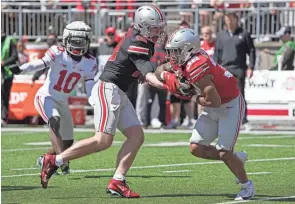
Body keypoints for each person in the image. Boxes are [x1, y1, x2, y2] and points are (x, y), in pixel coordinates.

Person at [38, 5, 179, 198]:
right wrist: (171, 86)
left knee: (136, 136)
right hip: (108, 89)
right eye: (155, 28)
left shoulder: (141, 38)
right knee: (103, 140)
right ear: (143, 26)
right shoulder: (138, 41)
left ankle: (117, 181)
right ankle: (55, 161)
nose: (159, 31)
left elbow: (141, 69)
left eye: (159, 27)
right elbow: (148, 75)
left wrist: (166, 66)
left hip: (118, 91)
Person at [156, 28, 255, 201]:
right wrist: (167, 76)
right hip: (214, 106)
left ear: (188, 49)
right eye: (171, 51)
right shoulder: (185, 58)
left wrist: (189, 94)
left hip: (229, 105)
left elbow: (214, 101)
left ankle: (247, 185)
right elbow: (160, 69)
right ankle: (236, 159)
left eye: (175, 51)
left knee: (224, 152)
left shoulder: (197, 66)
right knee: (196, 147)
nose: (172, 56)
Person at [9, 21, 98, 175]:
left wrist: (95, 100)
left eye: (81, 42)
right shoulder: (57, 52)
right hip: (46, 97)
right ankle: (62, 162)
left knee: (68, 142)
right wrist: (22, 68)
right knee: (54, 121)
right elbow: (41, 63)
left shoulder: (90, 62)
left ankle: (45, 159)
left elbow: (90, 85)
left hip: (62, 101)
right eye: (74, 41)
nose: (77, 46)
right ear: (66, 39)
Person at [213, 12, 256, 127]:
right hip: (224, 69)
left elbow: (251, 51)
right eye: (227, 20)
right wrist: (215, 69)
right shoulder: (221, 35)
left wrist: (251, 67)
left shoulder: (244, 34)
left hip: (239, 68)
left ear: (236, 20)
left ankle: (243, 120)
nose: (229, 22)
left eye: (231, 20)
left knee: (239, 95)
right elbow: (217, 53)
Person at [1, 31, 18, 125]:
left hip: (7, 72)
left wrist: (4, 63)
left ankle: (3, 117)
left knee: (4, 95)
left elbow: (15, 56)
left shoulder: (9, 41)